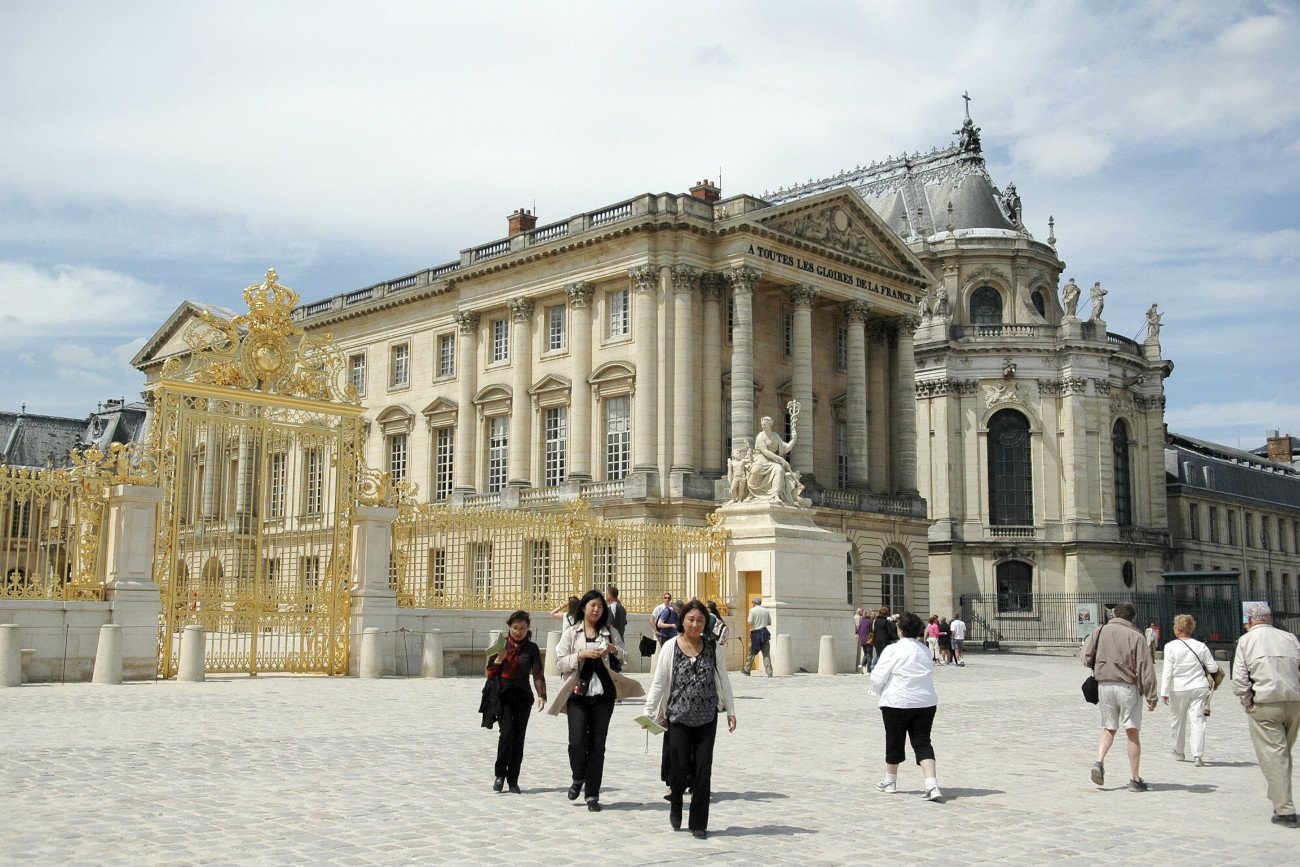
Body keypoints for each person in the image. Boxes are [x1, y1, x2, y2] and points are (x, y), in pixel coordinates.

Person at [644, 600, 737, 839]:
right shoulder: (671, 647)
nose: (695, 624)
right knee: (678, 768)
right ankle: (676, 804)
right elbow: (659, 681)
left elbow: (724, 680)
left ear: (706, 624)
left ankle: (698, 822)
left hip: (707, 718)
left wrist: (731, 710)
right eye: (691, 619)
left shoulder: (713, 648)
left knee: (703, 771)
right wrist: (649, 710)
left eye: (700, 621)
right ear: (682, 621)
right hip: (678, 718)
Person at [547, 589, 644, 812]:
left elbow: (625, 656)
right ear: (583, 607)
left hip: (603, 694)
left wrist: (612, 649)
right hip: (578, 694)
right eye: (592, 605)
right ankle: (578, 776)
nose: (596, 609)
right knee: (577, 742)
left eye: (600, 606)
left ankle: (592, 794)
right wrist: (579, 656)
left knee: (598, 746)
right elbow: (559, 661)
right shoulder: (572, 632)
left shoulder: (609, 631)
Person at [1231, 601, 1300, 826]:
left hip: (1266, 704)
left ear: (1249, 621)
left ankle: (1285, 811)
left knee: (1274, 755)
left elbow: (1239, 678)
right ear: (1269, 619)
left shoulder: (1247, 640)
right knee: (1283, 754)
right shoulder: (1290, 637)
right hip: (1294, 703)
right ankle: (1278, 797)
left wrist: (1247, 701)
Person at [1080, 600, 1157, 792]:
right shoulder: (1136, 636)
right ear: (1133, 617)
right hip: (1127, 687)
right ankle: (1134, 778)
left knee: (1108, 727)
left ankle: (1099, 761)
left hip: (1104, 686)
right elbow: (1145, 669)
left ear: (1115, 614)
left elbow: (1085, 657)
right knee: (1131, 730)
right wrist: (1151, 695)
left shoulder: (1100, 631)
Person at [869, 611, 943, 802]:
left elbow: (878, 676)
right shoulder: (924, 650)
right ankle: (931, 785)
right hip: (925, 701)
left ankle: (890, 781)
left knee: (894, 740)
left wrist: (876, 690)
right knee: (923, 742)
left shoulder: (893, 650)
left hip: (897, 701)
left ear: (900, 629)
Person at [484, 611, 547, 793]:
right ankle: (499, 775)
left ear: (528, 629)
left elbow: (537, 673)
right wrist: (499, 659)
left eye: (523, 628)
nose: (519, 632)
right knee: (506, 734)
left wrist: (541, 695)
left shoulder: (532, 648)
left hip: (522, 697)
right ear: (509, 627)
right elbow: (490, 672)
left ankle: (513, 779)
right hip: (503, 696)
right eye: (515, 628)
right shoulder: (501, 645)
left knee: (519, 738)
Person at [1159, 614, 1219, 767]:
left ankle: (1178, 751)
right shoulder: (1201, 646)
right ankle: (1198, 755)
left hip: (1178, 688)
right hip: (1199, 686)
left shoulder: (1170, 646)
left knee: (1177, 720)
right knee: (1198, 721)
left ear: (1179, 629)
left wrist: (1164, 691)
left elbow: (1168, 671)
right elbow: (1213, 667)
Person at [744, 596, 773, 677]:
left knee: (752, 652)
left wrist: (756, 624)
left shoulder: (752, 610)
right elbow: (769, 622)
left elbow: (750, 621)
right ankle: (769, 672)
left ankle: (747, 670)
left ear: (754, 602)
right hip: (764, 633)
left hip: (755, 633)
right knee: (766, 654)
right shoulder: (765, 610)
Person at [872, 606, 897, 670]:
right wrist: (894, 638)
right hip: (884, 641)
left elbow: (874, 630)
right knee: (884, 655)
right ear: (886, 613)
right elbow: (889, 632)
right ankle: (874, 665)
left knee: (878, 654)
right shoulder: (886, 622)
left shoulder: (876, 621)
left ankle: (874, 665)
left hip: (876, 640)